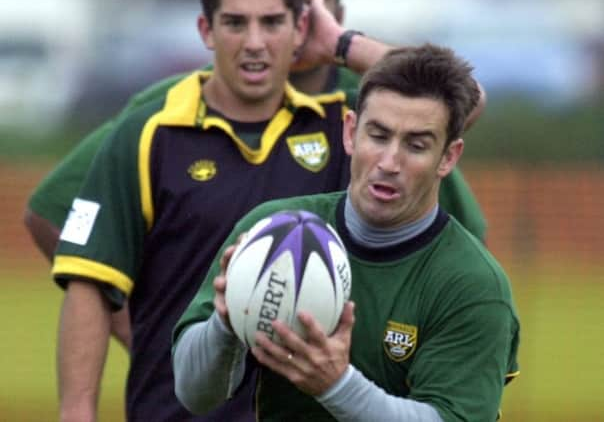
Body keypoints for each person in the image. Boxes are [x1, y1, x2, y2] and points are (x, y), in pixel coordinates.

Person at [49, 0, 406, 420]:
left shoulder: (340, 129)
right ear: (206, 30)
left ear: (301, 28)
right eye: (235, 23)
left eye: (273, 23)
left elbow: (456, 99)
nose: (254, 42)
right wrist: (76, 412)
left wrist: (343, 45)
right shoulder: (148, 134)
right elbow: (89, 281)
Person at [173, 44, 520, 421]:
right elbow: (194, 394)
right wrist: (225, 324)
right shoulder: (271, 232)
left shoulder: (472, 285)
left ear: (448, 157)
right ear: (351, 132)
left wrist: (336, 386)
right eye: (378, 136)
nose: (389, 162)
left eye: (416, 145)